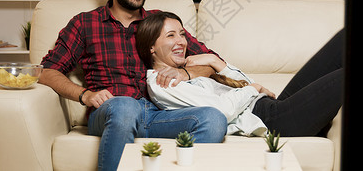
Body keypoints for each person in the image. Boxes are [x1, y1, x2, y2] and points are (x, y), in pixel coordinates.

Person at [38, 0, 227, 171]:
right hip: (112, 112)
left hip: (160, 114)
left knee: (214, 119)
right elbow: (46, 71)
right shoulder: (85, 24)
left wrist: (185, 73)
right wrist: (84, 95)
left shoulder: (160, 23)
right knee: (126, 107)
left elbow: (213, 62)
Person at [136, 11, 344, 137]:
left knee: (343, 39)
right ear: (151, 47)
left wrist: (214, 62)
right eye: (171, 36)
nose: (181, 41)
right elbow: (220, 112)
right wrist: (253, 89)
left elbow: (246, 82)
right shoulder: (161, 82)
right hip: (272, 122)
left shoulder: (188, 69)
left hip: (273, 106)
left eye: (182, 34)